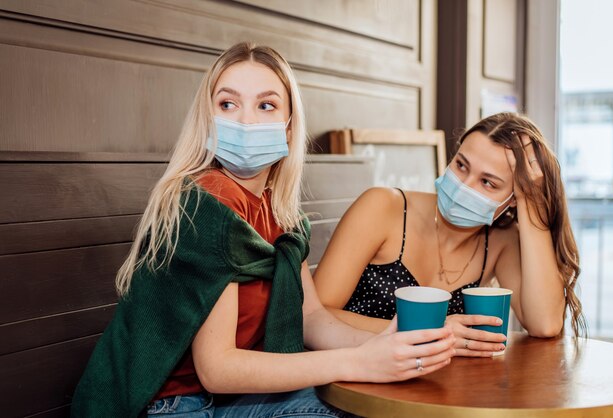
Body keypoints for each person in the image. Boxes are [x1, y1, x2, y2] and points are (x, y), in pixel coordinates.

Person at [70, 42, 455, 418]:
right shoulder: (206, 202)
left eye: (266, 105)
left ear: (289, 127)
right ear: (209, 118)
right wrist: (358, 362)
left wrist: (393, 346)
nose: (246, 121)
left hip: (233, 397)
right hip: (170, 403)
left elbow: (312, 318)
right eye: (228, 104)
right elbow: (217, 369)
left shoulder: (280, 212)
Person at [314, 112, 586, 358]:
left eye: (488, 182)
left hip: (431, 396)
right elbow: (316, 313)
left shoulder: (502, 241)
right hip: (348, 387)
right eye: (461, 165)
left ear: (512, 199)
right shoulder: (382, 207)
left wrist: (532, 202)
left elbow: (545, 324)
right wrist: (437, 331)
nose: (463, 186)